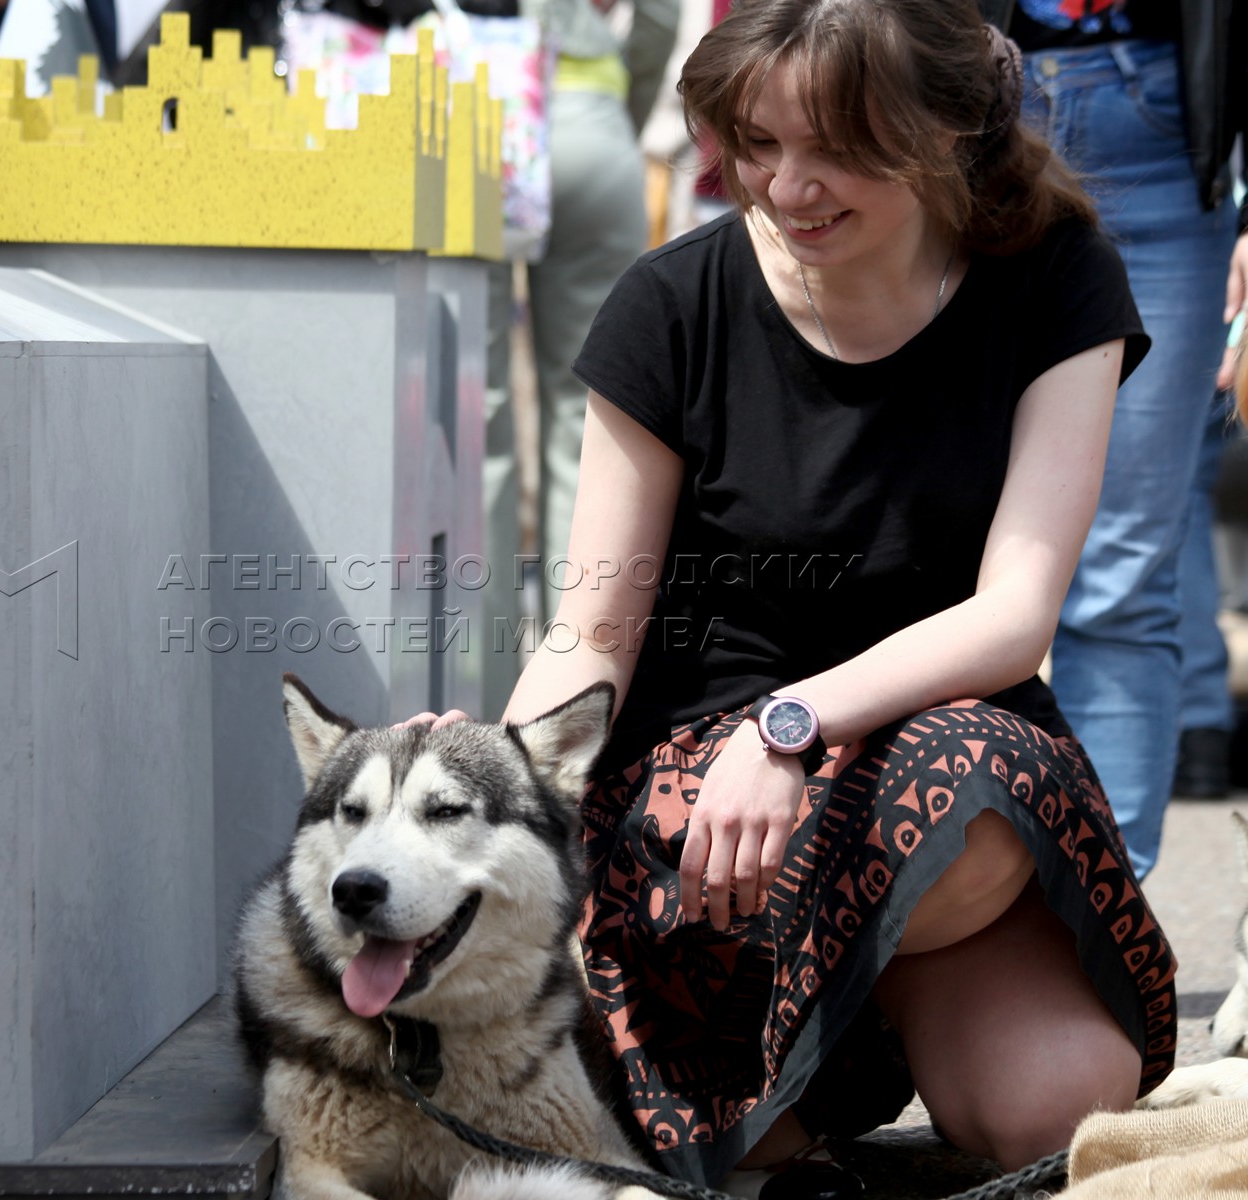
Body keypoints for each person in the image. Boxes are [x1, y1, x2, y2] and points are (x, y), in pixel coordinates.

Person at [402, 0, 1175, 1193]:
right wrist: (495, 785)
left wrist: (796, 723)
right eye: (756, 143)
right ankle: (771, 1075)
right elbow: (593, 630)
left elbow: (1015, 612)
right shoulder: (669, 306)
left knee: (1059, 1104)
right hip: (702, 797)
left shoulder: (1054, 277)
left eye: (838, 148)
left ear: (946, 127)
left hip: (929, 767)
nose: (788, 184)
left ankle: (842, 1021)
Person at [973, 0, 1248, 871]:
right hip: (972, 117)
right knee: (940, 540)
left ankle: (1106, 908)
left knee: (1125, 568)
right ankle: (927, 908)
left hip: (1168, 125)